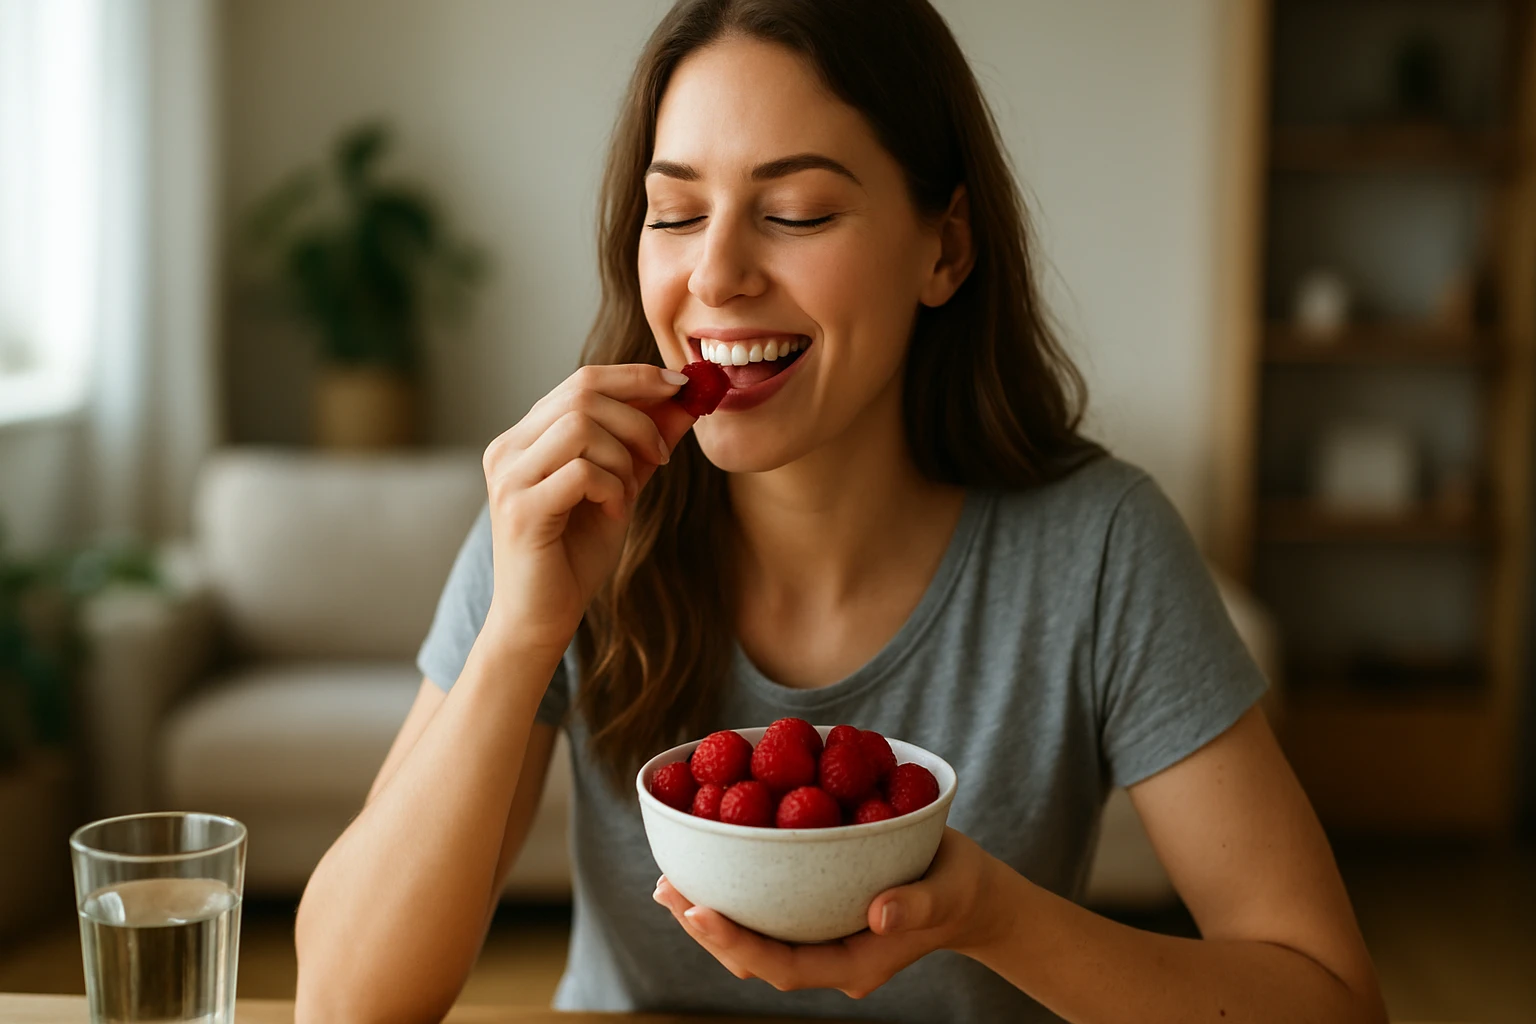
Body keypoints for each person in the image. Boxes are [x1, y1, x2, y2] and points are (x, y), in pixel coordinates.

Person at [294, 2, 1388, 1022]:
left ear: (945, 248)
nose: (714, 275)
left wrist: (993, 918)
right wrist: (522, 633)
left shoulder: (1099, 549)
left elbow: (1329, 994)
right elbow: (340, 1001)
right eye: (674, 212)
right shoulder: (568, 517)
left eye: (795, 211)